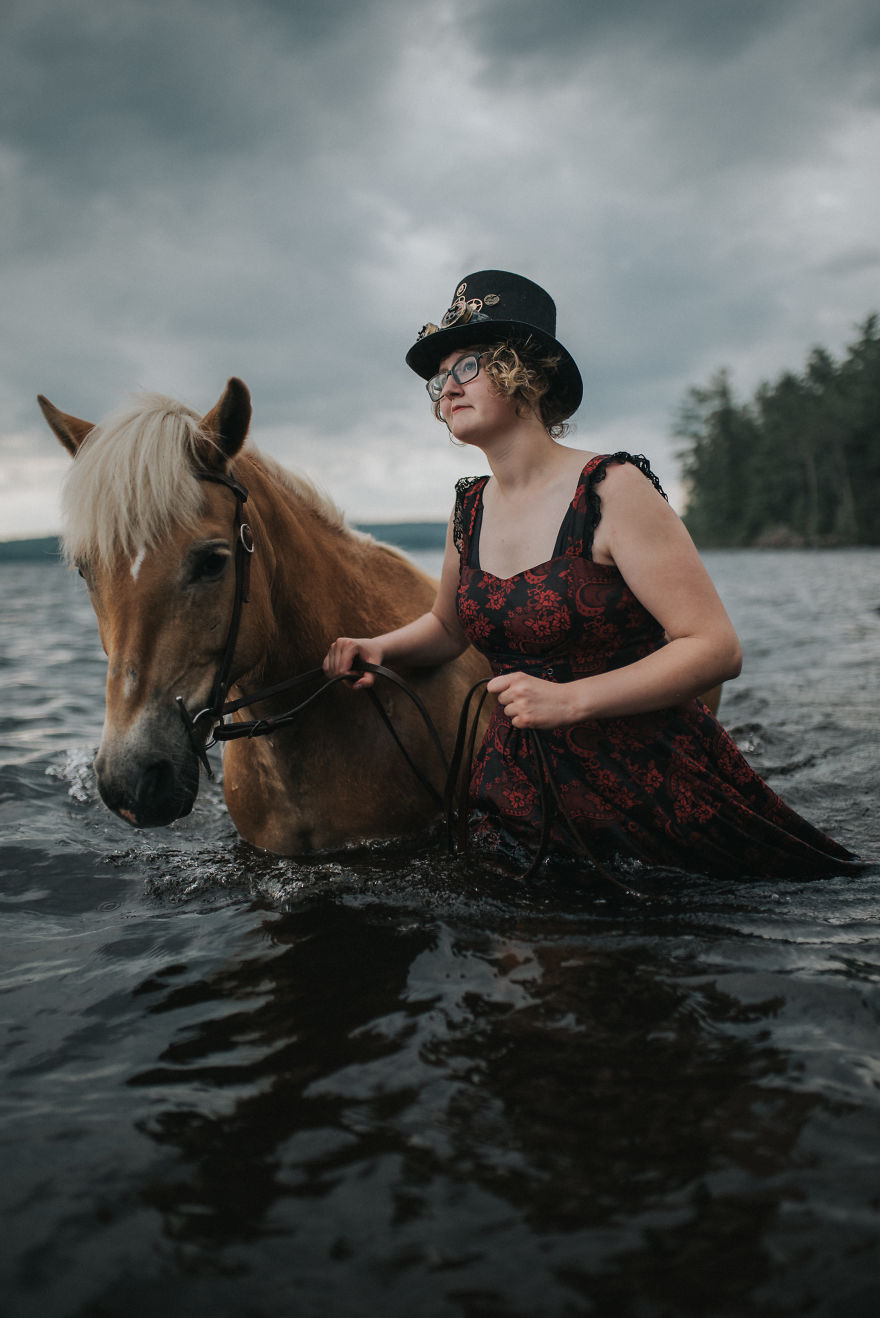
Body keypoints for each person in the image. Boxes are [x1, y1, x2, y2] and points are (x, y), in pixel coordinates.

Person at [324, 269, 862, 879]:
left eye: (466, 366)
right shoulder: (467, 509)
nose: (447, 389)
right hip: (515, 788)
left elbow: (715, 648)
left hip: (647, 790)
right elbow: (448, 631)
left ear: (524, 373)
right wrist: (380, 648)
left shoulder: (612, 489)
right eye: (439, 378)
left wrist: (570, 700)